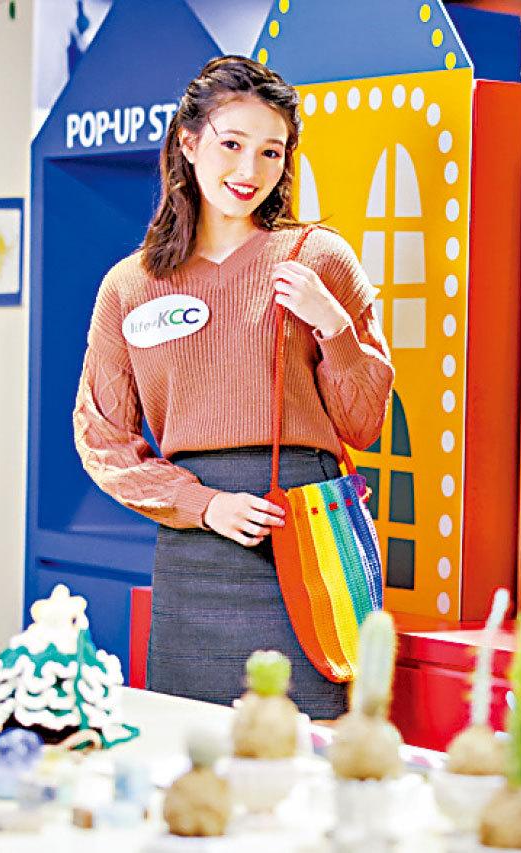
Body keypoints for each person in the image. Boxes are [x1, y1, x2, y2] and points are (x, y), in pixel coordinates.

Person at [73, 56, 394, 718]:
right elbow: (103, 439)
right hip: (195, 549)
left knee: (310, 744)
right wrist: (202, 503)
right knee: (190, 741)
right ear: (188, 143)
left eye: (271, 151)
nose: (250, 170)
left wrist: (333, 326)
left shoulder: (317, 257)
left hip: (304, 534)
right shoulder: (129, 286)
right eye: (232, 144)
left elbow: (364, 423)